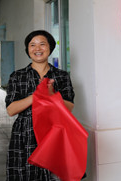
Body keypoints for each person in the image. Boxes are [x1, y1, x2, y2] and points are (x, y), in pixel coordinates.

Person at [5, 30, 75, 180]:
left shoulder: (61, 76)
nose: (38, 49)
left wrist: (51, 96)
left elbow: (69, 107)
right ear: (28, 50)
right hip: (24, 135)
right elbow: (11, 110)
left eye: (42, 44)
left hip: (55, 134)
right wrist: (36, 96)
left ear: (50, 48)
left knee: (54, 176)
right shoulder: (17, 76)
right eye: (33, 45)